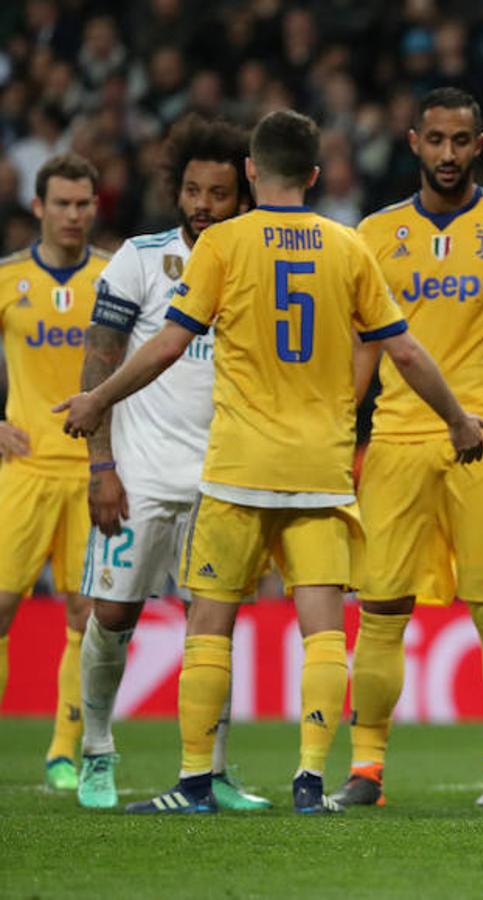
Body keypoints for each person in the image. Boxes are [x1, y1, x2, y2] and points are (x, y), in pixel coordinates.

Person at [57, 110, 483, 815]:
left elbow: (166, 346)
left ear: (251, 174)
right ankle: (311, 781)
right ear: (314, 175)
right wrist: (459, 419)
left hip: (235, 468)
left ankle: (195, 783)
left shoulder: (224, 245)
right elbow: (403, 352)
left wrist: (94, 400)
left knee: (209, 626)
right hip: (318, 471)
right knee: (322, 629)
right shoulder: (348, 247)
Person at [334, 87, 483, 809]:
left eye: (460, 141)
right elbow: (363, 346)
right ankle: (365, 771)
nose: (446, 154)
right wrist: (340, 431)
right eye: (434, 140)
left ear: (479, 145)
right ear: (412, 142)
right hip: (396, 440)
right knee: (380, 606)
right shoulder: (373, 233)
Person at [72, 117, 269, 811]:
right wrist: (101, 468)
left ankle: (212, 772)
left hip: (225, 476)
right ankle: (95, 750)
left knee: (211, 625)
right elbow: (97, 362)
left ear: (241, 196)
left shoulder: (257, 261)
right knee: (114, 613)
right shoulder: (137, 258)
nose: (202, 205)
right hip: (142, 473)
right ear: (176, 189)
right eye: (192, 190)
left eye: (217, 193)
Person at [0, 153, 108, 791]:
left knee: (84, 612)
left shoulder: (112, 278)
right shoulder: (8, 278)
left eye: (84, 203)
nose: (74, 214)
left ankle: (66, 751)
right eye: (62, 203)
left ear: (97, 206)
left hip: (93, 471)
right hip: (24, 469)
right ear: (39, 207)